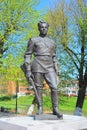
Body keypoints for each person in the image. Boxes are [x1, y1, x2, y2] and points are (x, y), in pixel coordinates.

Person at [24, 21, 63, 118]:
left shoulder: (52, 42)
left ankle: (55, 108)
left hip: (49, 66)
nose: (44, 29)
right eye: (42, 27)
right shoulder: (33, 40)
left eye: (45, 27)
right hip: (37, 65)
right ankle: (40, 107)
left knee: (54, 86)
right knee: (39, 88)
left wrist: (57, 68)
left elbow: (54, 56)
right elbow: (27, 55)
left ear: (47, 28)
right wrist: (28, 70)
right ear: (38, 28)